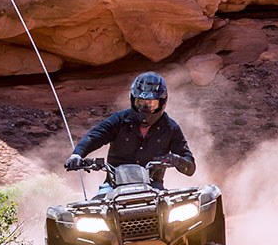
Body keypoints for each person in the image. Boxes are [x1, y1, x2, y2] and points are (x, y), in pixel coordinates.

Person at [65, 72, 195, 193]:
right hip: (113, 186)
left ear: (161, 103)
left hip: (154, 188)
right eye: (140, 103)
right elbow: (95, 136)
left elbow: (190, 168)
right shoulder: (119, 120)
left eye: (151, 104)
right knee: (95, 207)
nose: (145, 108)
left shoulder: (171, 128)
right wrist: (77, 155)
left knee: (175, 208)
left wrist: (178, 160)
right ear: (133, 101)